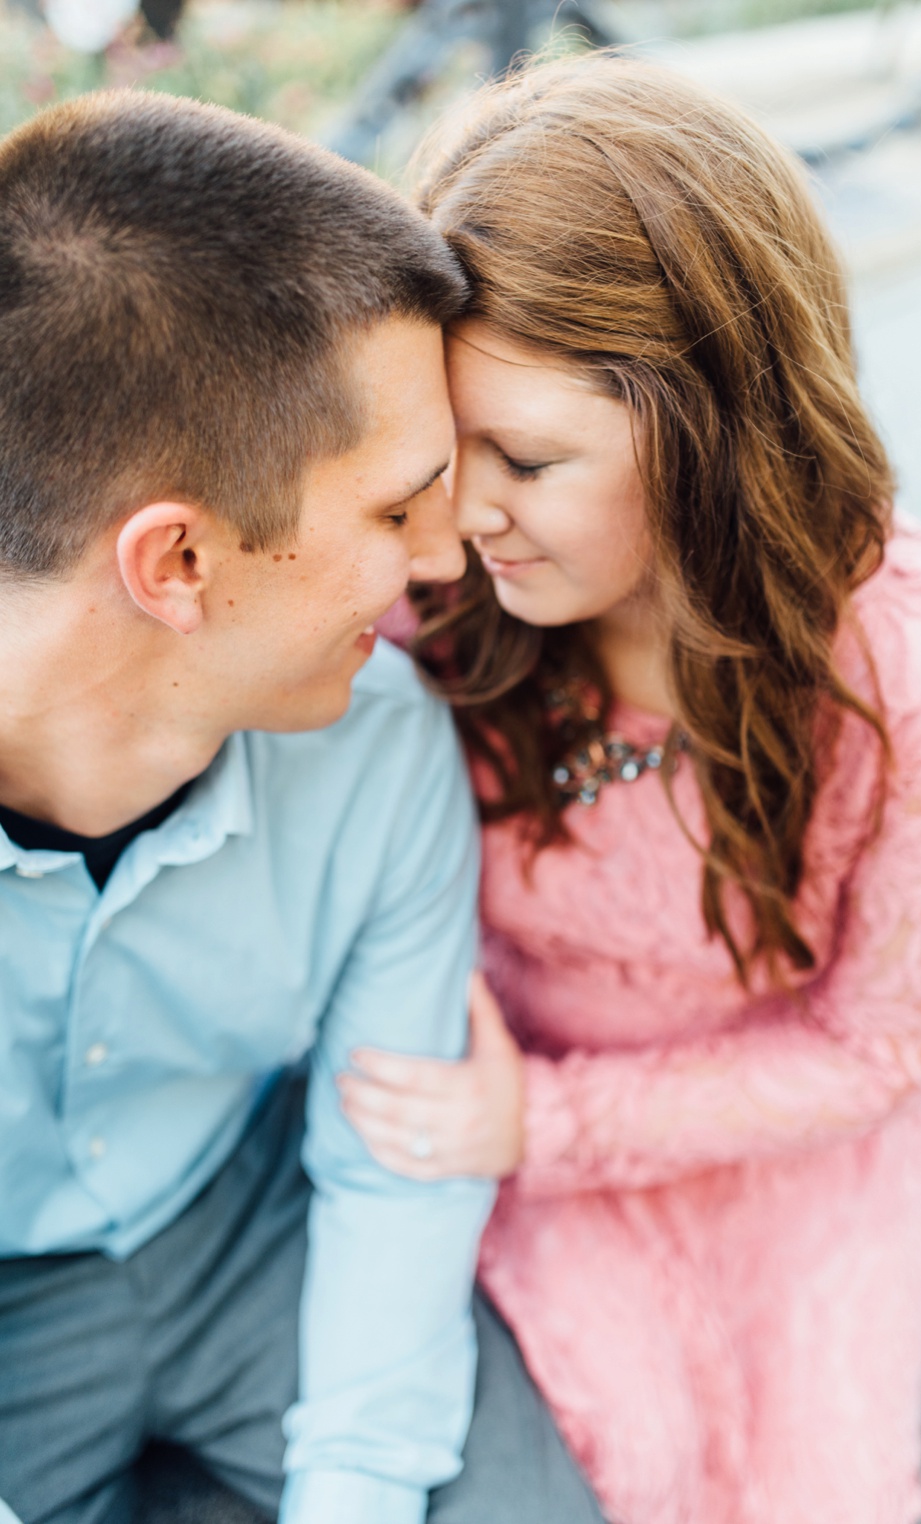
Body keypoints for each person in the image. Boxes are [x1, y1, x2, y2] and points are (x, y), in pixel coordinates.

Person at [335, 57, 921, 1524]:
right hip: (495, 1123)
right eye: (446, 455)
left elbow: (881, 1052)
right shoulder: (438, 579)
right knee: (603, 1466)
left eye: (526, 457)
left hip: (796, 1151)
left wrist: (551, 1125)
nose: (461, 518)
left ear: (713, 424)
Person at [0, 93, 604, 1523]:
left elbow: (394, 1169)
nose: (453, 554)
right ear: (179, 561)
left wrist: (358, 1494)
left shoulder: (384, 747)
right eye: (396, 513)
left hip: (251, 1227)